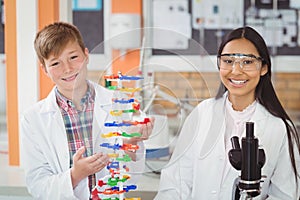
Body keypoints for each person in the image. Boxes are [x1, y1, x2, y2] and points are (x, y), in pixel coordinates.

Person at [155, 26, 300, 199]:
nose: (236, 71)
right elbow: (176, 182)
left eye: (247, 62)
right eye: (228, 61)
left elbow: (285, 195)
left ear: (264, 68)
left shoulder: (280, 128)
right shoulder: (202, 114)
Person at [20, 22, 154, 200]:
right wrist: (76, 174)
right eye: (55, 63)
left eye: (73, 57)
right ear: (44, 69)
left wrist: (131, 142)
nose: (67, 69)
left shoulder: (119, 104)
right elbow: (38, 185)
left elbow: (131, 174)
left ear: (86, 54)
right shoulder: (33, 119)